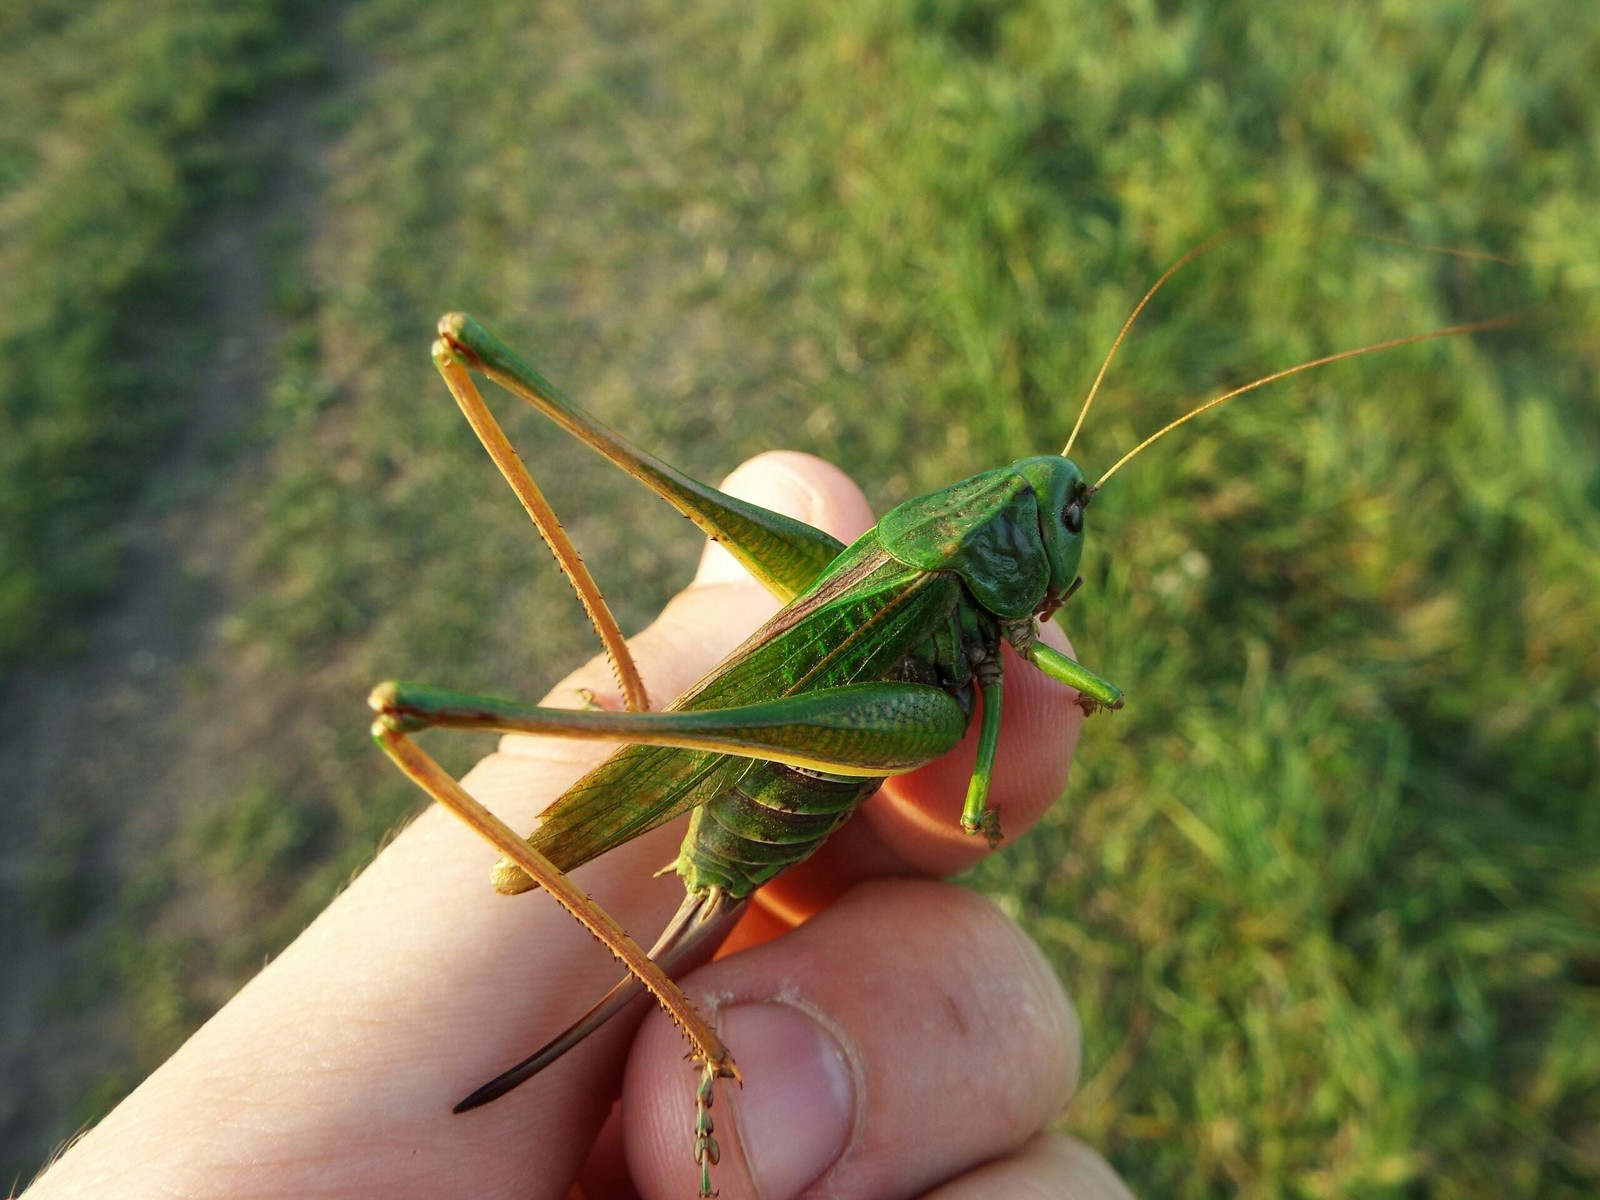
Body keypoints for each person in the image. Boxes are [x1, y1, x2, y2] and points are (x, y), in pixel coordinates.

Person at [23, 453, 1135, 1200]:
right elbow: (981, 784)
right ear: (1009, 546)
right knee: (948, 710)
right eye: (1064, 519)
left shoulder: (953, 575)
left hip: (827, 727)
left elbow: (989, 744)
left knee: (944, 706)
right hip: (809, 741)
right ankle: (686, 965)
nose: (1070, 531)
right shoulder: (961, 604)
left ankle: (661, 767)